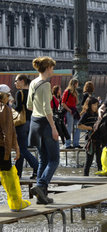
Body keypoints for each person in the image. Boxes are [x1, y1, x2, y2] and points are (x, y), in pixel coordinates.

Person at [27, 56, 59, 204]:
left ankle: (42, 197)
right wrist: (54, 127)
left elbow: (29, 106)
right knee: (54, 159)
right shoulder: (45, 85)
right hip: (46, 125)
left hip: (34, 124)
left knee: (43, 160)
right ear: (47, 68)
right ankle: (41, 185)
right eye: (52, 67)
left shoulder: (33, 82)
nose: (53, 70)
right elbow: (48, 109)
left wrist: (38, 110)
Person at [0, 84, 31, 211]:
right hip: (1, 148)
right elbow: (8, 131)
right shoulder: (5, 109)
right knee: (9, 175)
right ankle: (16, 203)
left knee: (7, 174)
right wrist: (14, 149)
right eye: (8, 95)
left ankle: (16, 202)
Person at [13, 74, 39, 179]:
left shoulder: (19, 93)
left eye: (16, 81)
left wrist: (12, 104)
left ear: (22, 81)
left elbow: (18, 109)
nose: (15, 83)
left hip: (21, 123)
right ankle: (17, 172)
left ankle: (37, 167)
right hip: (30, 122)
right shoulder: (32, 92)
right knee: (22, 148)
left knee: (22, 149)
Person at [78, 97, 102, 176]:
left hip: (98, 138)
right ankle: (85, 177)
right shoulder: (86, 114)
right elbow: (79, 125)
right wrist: (89, 128)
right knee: (89, 160)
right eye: (94, 105)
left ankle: (101, 176)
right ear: (89, 105)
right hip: (90, 140)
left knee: (100, 160)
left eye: (96, 105)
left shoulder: (98, 113)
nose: (95, 106)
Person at [61, 78, 81, 149]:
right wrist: (69, 110)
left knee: (78, 126)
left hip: (74, 110)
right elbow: (63, 103)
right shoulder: (67, 91)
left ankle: (76, 143)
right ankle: (68, 144)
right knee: (69, 128)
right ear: (75, 84)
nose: (77, 85)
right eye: (77, 83)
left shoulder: (74, 92)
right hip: (69, 111)